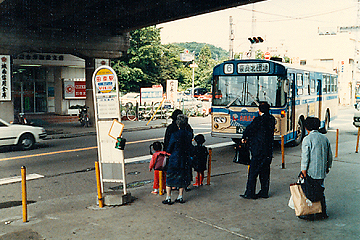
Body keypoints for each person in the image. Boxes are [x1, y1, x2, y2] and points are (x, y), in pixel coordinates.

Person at [299, 117, 332, 220]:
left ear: (306, 127)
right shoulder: (324, 138)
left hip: (311, 171)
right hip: (321, 170)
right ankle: (322, 212)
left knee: (310, 191)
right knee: (320, 190)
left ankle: (310, 213)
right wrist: (327, 167)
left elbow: (306, 156)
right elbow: (329, 156)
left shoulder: (307, 139)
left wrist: (303, 170)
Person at [240, 102, 275, 199]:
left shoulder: (258, 120)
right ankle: (264, 192)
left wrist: (244, 137)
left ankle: (250, 193)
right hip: (268, 151)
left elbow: (249, 129)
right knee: (265, 173)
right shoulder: (272, 119)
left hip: (258, 150)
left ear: (259, 110)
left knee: (253, 172)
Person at [162, 114, 193, 204]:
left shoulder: (174, 135)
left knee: (170, 178)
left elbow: (169, 147)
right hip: (185, 159)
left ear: (178, 124)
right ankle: (180, 196)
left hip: (174, 159)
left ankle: (168, 197)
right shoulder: (189, 134)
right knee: (182, 177)